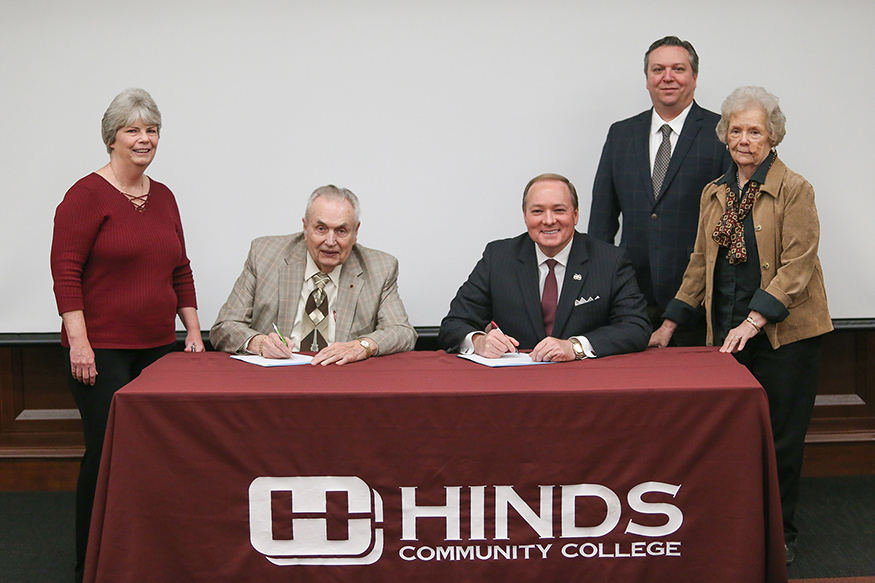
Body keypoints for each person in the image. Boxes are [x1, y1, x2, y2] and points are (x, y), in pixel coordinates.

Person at [649, 86, 833, 565]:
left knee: (781, 438)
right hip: (726, 333)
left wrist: (755, 319)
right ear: (724, 135)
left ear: (773, 136)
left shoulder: (795, 188)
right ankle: (740, 527)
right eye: (736, 130)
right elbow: (699, 262)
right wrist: (669, 323)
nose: (744, 139)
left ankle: (782, 533)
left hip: (782, 336)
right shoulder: (716, 192)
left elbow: (799, 264)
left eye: (755, 130)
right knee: (732, 440)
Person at [50, 88, 204, 582]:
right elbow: (65, 272)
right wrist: (79, 343)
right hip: (102, 352)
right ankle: (91, 565)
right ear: (111, 138)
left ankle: (150, 558)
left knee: (159, 456)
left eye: (152, 130)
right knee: (107, 455)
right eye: (133, 130)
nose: (145, 139)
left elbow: (181, 269)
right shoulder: (85, 195)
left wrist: (194, 336)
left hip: (159, 348)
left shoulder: (165, 197)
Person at [589, 36, 731, 345]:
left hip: (699, 300)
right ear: (647, 80)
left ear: (694, 77)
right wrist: (597, 287)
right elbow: (602, 218)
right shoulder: (621, 134)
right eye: (658, 69)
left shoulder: (722, 133)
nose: (667, 77)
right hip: (630, 297)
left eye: (678, 69)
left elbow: (732, 220)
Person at [439, 173, 650, 361]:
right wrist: (479, 342)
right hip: (515, 382)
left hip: (585, 380)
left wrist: (575, 347)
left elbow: (636, 327)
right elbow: (454, 324)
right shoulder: (498, 257)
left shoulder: (610, 260)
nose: (548, 220)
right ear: (525, 216)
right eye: (538, 211)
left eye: (559, 210)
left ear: (575, 215)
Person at [210, 185, 417, 364]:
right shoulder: (265, 255)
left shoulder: (380, 267)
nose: (330, 240)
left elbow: (402, 331)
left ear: (356, 232)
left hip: (343, 378)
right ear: (305, 227)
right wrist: (260, 343)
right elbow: (224, 327)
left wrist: (361, 346)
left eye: (341, 231)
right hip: (277, 377)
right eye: (320, 228)